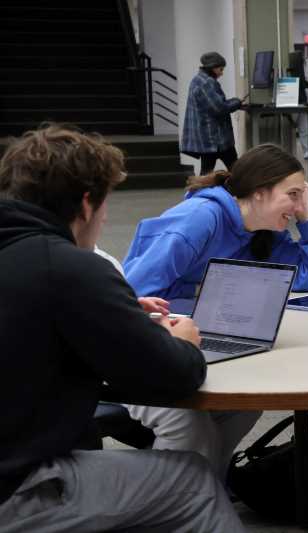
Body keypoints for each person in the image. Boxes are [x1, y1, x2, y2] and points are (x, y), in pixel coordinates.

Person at [0, 125, 245, 532]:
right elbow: (173, 376)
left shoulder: (22, 257)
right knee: (193, 480)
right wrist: (182, 342)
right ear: (85, 204)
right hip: (18, 488)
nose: (106, 217)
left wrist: (118, 310)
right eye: (105, 204)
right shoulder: (69, 267)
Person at [121, 143, 308, 477]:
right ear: (259, 192)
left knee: (246, 403)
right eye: (293, 195)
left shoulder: (264, 233)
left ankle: (206, 488)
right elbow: (132, 294)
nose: (297, 206)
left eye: (302, 196)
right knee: (194, 428)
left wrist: (306, 215)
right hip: (143, 341)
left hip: (207, 336)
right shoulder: (199, 219)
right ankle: (173, 498)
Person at [181, 51, 246, 174]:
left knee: (206, 173)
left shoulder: (197, 79)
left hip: (208, 139)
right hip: (216, 139)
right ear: (213, 68)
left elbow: (214, 103)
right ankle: (242, 192)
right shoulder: (207, 82)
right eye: (220, 69)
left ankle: (198, 192)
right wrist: (237, 102)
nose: (221, 73)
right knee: (236, 172)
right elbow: (219, 108)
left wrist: (234, 103)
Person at [287, 51, 308, 160]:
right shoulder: (298, 70)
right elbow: (305, 83)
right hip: (299, 101)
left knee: (302, 128)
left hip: (299, 102)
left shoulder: (295, 69)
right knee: (302, 129)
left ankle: (307, 152)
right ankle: (306, 151)